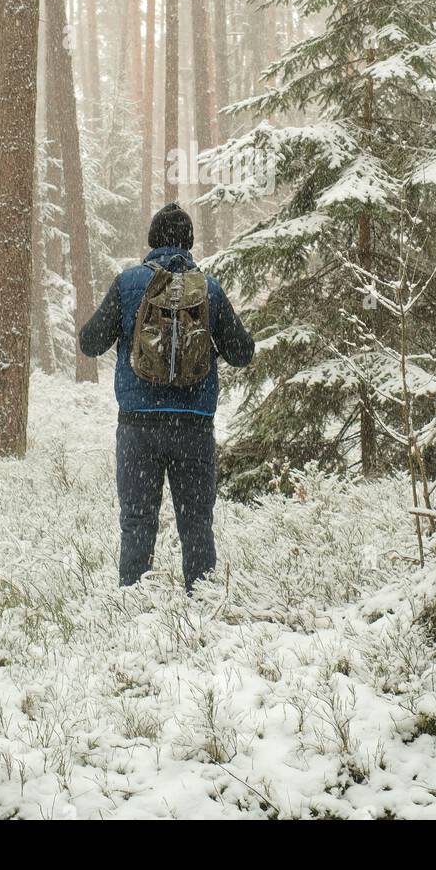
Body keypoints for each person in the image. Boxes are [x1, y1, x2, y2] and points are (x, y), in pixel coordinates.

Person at [79, 202, 254, 592]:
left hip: (139, 427)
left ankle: (134, 604)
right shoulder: (208, 288)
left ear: (151, 240)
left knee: (138, 520)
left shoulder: (128, 283)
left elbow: (90, 343)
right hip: (193, 427)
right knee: (196, 522)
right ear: (189, 243)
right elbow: (242, 353)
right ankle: (204, 602)